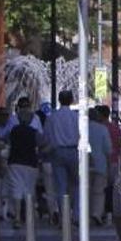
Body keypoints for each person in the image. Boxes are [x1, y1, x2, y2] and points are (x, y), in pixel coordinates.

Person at [43, 90, 80, 218]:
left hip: (57, 151)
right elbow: (81, 135)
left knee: (61, 186)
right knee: (76, 184)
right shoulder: (76, 116)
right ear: (71, 100)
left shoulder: (52, 117)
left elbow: (46, 137)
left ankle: (63, 216)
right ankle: (76, 214)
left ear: (59, 100)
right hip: (73, 150)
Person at [6, 109, 41, 229]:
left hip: (15, 162)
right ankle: (29, 216)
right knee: (29, 190)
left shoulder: (13, 131)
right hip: (31, 163)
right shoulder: (34, 132)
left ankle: (17, 217)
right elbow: (44, 143)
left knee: (16, 189)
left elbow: (5, 141)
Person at [96, 105, 121, 222]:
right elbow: (120, 144)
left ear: (101, 115)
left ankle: (103, 212)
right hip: (114, 161)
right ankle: (111, 212)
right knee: (112, 188)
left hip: (102, 161)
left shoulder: (100, 128)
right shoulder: (115, 128)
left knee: (101, 189)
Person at [88, 108, 112, 226]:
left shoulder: (81, 128)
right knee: (99, 192)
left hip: (84, 165)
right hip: (100, 165)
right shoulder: (102, 129)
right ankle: (96, 214)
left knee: (85, 190)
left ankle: (84, 213)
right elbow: (108, 149)